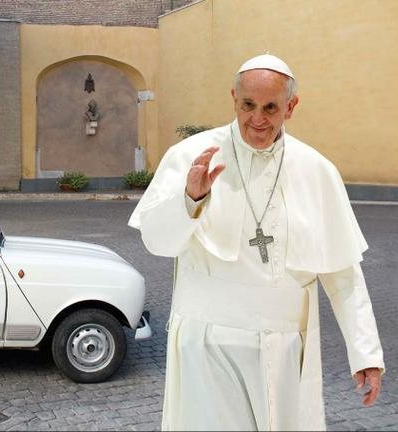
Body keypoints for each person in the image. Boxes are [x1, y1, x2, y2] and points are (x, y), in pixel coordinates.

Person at [128, 54, 384, 430]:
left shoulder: (316, 170)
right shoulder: (189, 156)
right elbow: (156, 242)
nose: (257, 120)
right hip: (206, 346)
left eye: (270, 107)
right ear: (234, 98)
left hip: (284, 351)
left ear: (291, 107)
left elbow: (343, 273)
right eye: (248, 105)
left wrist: (365, 353)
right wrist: (189, 200)